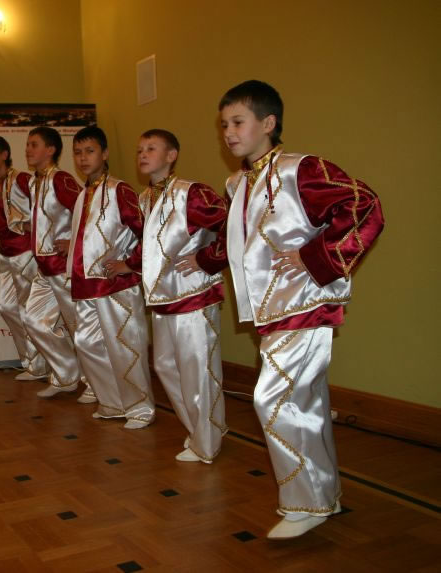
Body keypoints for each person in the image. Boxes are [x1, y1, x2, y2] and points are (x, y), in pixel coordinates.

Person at [219, 80, 384, 538]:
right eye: (224, 125)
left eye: (238, 122)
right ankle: (323, 496)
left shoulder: (300, 169)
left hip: (306, 303)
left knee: (271, 398)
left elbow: (364, 206)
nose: (228, 132)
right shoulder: (238, 183)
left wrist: (316, 256)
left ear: (268, 123)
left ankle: (306, 502)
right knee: (304, 403)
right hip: (274, 309)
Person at [138, 129, 229, 459]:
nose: (143, 154)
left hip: (194, 294)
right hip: (163, 298)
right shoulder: (144, 198)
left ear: (171, 155)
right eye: (140, 150)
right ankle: (202, 429)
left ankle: (206, 444)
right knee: (164, 365)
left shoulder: (191, 193)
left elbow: (231, 224)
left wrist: (207, 259)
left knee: (197, 371)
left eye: (151, 148)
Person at [67, 125, 155, 429]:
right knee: (87, 344)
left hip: (116, 284)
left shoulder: (120, 190)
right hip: (85, 284)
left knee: (126, 347)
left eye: (89, 151)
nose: (82, 158)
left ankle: (140, 409)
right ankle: (113, 402)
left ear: (104, 154)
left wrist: (130, 264)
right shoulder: (83, 195)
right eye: (77, 153)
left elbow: (147, 232)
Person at [24, 126, 94, 402]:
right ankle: (66, 375)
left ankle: (95, 384)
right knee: (33, 320)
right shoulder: (34, 183)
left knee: (80, 327)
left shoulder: (61, 179)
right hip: (44, 268)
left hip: (63, 267)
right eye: (28, 144)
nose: (28, 149)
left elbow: (87, 211)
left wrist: (75, 242)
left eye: (34, 144)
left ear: (51, 150)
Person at [0, 136, 49, 381]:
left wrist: (33, 227)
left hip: (25, 253)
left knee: (29, 310)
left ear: (5, 154)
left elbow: (42, 207)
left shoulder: (21, 179)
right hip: (6, 254)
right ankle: (32, 361)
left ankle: (41, 365)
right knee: (7, 307)